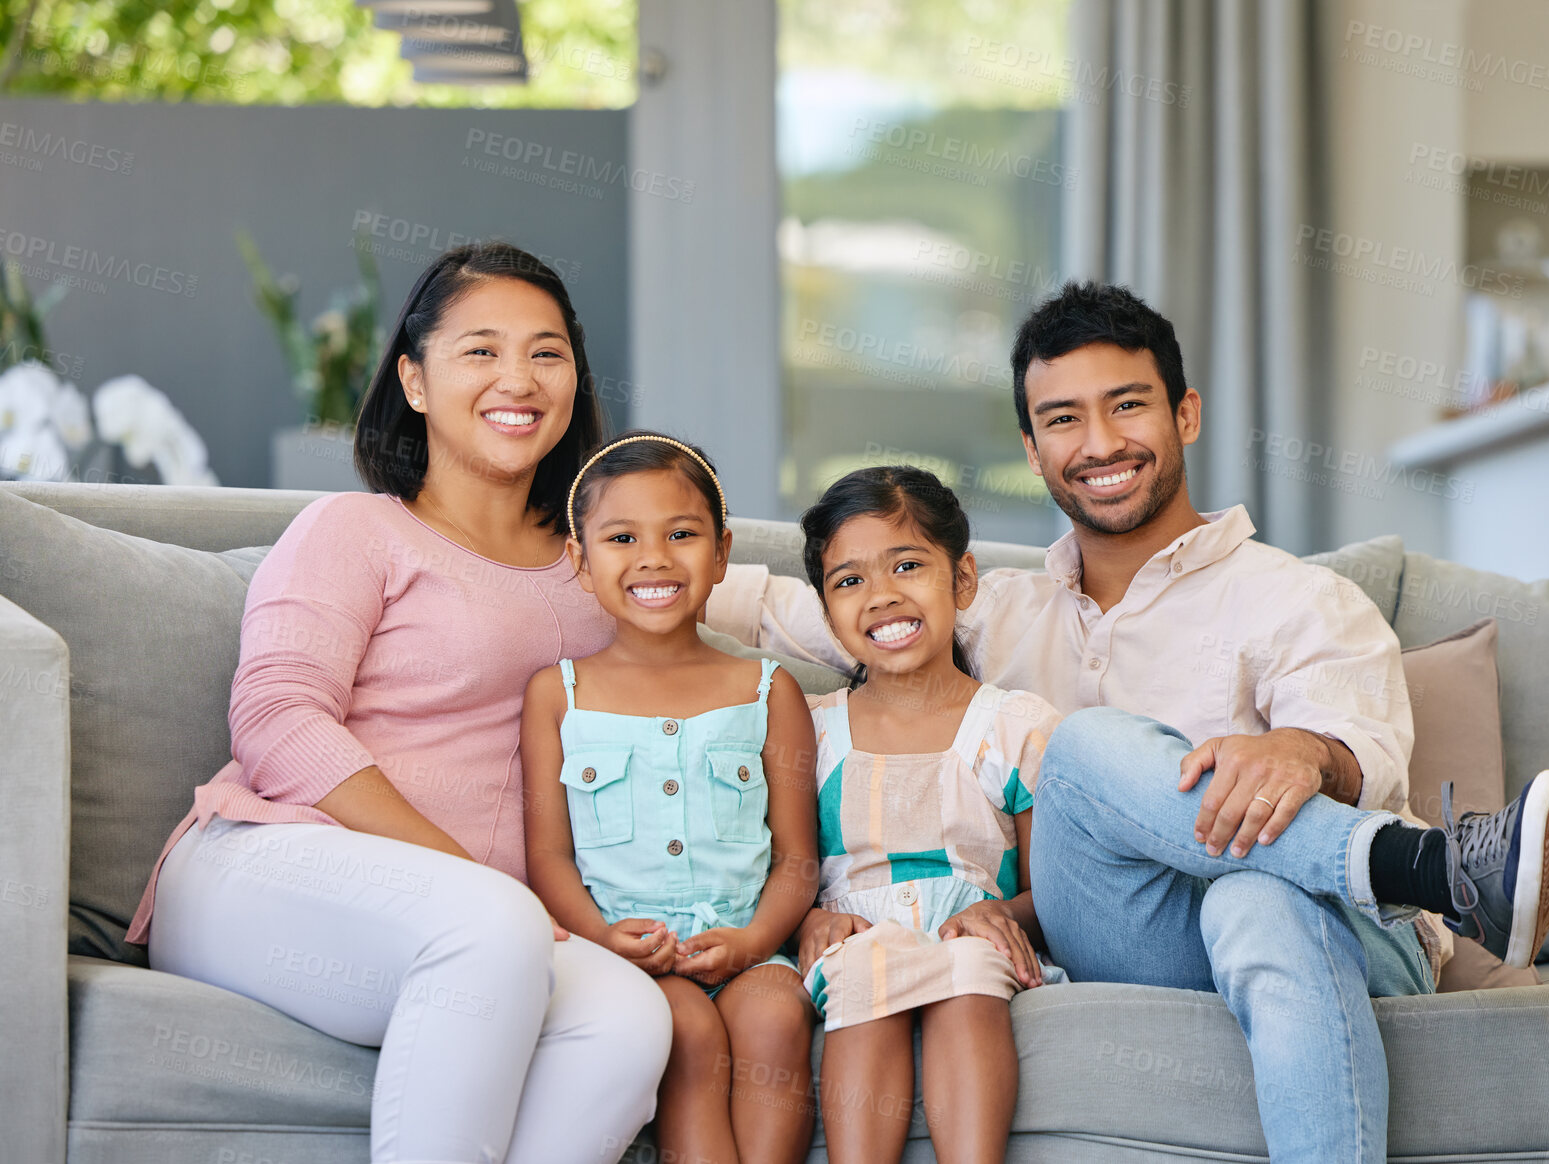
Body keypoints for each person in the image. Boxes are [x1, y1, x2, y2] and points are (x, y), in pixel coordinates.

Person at [705, 281, 1549, 1162]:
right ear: (1031, 446)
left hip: (1341, 927)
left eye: (1126, 406)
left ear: (1185, 413)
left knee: (1253, 896)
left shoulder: (1299, 597)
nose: (1097, 445)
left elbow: (1369, 759)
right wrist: (592, 537)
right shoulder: (979, 608)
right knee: (1082, 746)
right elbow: (767, 598)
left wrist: (1301, 751)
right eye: (1062, 419)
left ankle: (1426, 878)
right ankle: (1438, 868)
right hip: (1131, 932)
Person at [126, 243, 672, 1164]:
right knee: (491, 929)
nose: (519, 378)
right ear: (414, 380)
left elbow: (766, 604)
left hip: (481, 921)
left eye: (547, 353)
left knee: (626, 1016)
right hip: (265, 864)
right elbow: (276, 718)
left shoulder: (608, 566)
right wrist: (475, 879)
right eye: (480, 351)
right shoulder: (357, 529)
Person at [520, 431, 821, 1164]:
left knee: (778, 1019)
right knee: (683, 1032)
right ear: (579, 562)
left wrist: (753, 944)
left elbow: (797, 862)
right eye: (622, 537)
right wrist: (598, 934)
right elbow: (549, 855)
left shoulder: (767, 690)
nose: (653, 557)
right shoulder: (557, 695)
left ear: (720, 554)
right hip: (631, 953)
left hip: (746, 948)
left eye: (680, 534)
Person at [791, 466, 1064, 1164]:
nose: (881, 596)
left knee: (969, 967)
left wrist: (1009, 915)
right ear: (826, 612)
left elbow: (1057, 891)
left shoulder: (1016, 726)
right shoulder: (809, 732)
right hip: (857, 932)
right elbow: (778, 868)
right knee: (865, 965)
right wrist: (807, 917)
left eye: (907, 565)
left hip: (969, 927)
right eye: (848, 580)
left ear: (962, 579)